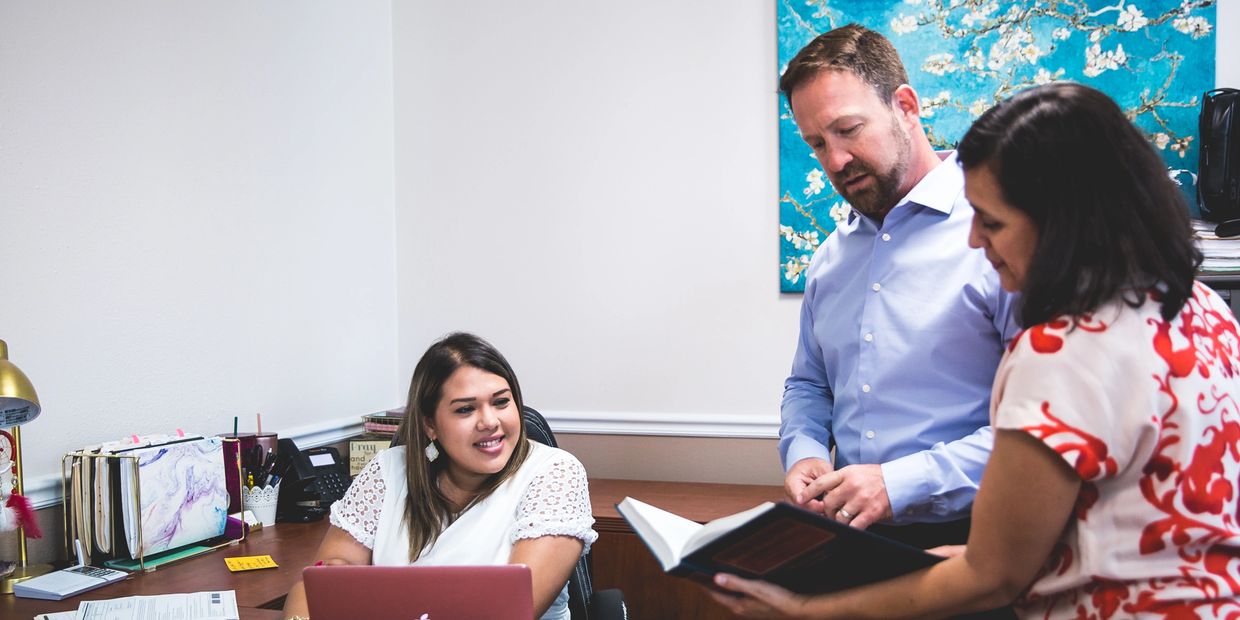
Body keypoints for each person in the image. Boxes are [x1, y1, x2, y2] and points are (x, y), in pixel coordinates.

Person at [710, 82, 1240, 618]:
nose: (974, 242)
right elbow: (1123, 514)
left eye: (992, 223)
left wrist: (802, 613)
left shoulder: (1060, 350)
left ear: (1066, 215)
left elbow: (992, 580)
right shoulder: (1204, 309)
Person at [779, 24, 1018, 547]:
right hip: (851, 538)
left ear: (906, 106)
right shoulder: (829, 261)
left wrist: (899, 484)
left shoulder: (1003, 240)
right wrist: (806, 450)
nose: (834, 161)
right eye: (817, 143)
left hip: (983, 542)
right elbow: (809, 384)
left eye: (848, 129)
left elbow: (1040, 428)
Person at [282, 332, 597, 620]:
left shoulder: (555, 473)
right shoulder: (387, 471)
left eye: (501, 402)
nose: (490, 421)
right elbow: (317, 584)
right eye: (465, 409)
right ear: (430, 425)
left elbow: (512, 610)